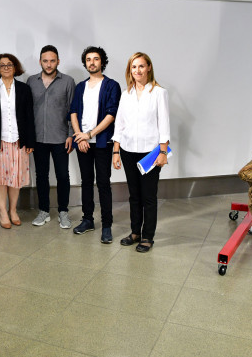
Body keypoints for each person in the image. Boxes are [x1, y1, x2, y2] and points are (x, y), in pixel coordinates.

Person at [112, 52, 170, 253]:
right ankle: (135, 232)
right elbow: (119, 124)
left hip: (151, 153)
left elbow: (164, 125)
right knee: (134, 196)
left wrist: (163, 152)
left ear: (149, 68)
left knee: (148, 196)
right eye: (133, 67)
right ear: (130, 70)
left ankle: (148, 236)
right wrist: (116, 152)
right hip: (128, 151)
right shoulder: (126, 94)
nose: (137, 70)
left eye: (141, 66)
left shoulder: (158, 93)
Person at [69, 46, 121, 243]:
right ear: (85, 63)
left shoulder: (111, 85)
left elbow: (111, 114)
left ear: (102, 62)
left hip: (101, 142)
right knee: (86, 182)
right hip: (82, 142)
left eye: (96, 59)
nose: (92, 62)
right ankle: (88, 219)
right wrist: (79, 137)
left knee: (103, 183)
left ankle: (106, 224)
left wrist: (89, 134)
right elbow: (73, 112)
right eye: (88, 59)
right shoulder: (80, 86)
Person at [0, 54, 35, 229]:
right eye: (2, 65)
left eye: (9, 64)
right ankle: (3, 212)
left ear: (15, 67)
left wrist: (30, 141)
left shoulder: (24, 89)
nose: (6, 67)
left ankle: (13, 210)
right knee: (0, 178)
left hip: (19, 140)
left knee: (15, 178)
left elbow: (29, 117)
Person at [27, 45, 75, 228]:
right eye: (45, 61)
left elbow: (73, 111)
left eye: (52, 60)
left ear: (58, 61)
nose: (48, 64)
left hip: (61, 138)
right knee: (41, 175)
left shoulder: (68, 82)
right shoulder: (31, 81)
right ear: (40, 62)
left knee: (63, 175)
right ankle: (44, 211)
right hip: (38, 138)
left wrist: (71, 134)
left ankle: (63, 211)